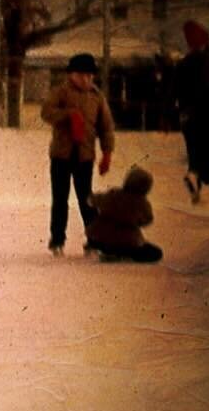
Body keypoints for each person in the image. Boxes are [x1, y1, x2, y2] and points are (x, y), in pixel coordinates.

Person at [40, 53, 115, 256]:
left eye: (90, 76)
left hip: (84, 156)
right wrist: (67, 115)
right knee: (60, 198)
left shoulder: (96, 97)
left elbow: (106, 127)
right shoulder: (61, 92)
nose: (86, 80)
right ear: (71, 75)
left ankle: (95, 239)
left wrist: (107, 152)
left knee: (87, 199)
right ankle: (57, 239)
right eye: (82, 75)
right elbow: (46, 112)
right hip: (61, 156)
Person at [175, 21, 209, 204]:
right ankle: (204, 176)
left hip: (189, 115)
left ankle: (194, 174)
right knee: (207, 148)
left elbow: (174, 89)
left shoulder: (184, 63)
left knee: (193, 150)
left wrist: (168, 112)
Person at [86, 167, 162, 263]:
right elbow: (147, 220)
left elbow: (93, 200)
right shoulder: (142, 203)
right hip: (127, 243)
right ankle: (123, 254)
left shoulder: (114, 194)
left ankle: (108, 252)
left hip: (99, 238)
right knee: (155, 252)